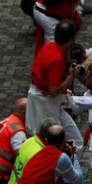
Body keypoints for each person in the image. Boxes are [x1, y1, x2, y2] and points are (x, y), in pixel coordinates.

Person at [27, 20, 83, 149]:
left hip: (44, 101)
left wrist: (64, 89)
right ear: (69, 40)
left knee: (76, 140)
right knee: (46, 144)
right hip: (46, 105)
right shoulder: (57, 60)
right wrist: (70, 77)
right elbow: (53, 90)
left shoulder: (48, 46)